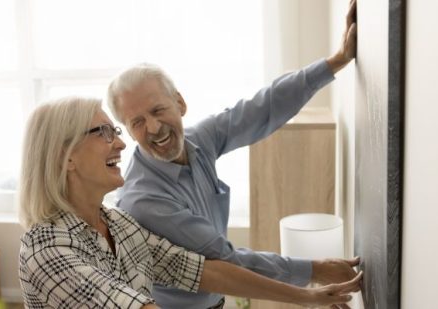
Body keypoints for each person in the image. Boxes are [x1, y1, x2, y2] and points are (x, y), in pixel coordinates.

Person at [105, 1, 359, 308]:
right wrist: (314, 271)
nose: (154, 127)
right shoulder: (144, 200)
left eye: (158, 110)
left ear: (180, 103)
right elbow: (224, 259)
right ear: (129, 131)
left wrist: (336, 61)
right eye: (138, 122)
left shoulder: (198, 140)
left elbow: (259, 108)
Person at [17, 97, 362, 309]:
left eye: (116, 132)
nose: (121, 145)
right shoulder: (45, 248)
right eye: (104, 133)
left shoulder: (120, 225)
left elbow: (204, 271)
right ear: (66, 158)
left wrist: (309, 294)